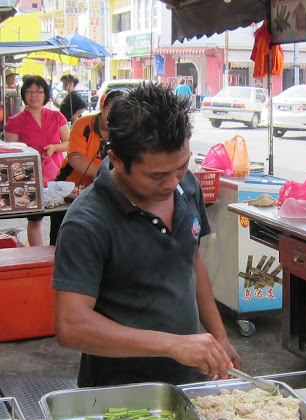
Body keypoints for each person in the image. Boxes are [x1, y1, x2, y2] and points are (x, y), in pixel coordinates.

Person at [52, 81, 241, 388]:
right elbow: (71, 325)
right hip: (120, 394)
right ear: (117, 161)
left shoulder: (188, 185)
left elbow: (192, 263)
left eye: (180, 167)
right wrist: (171, 344)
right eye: (156, 175)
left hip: (189, 383)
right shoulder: (87, 222)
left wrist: (220, 337)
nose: (171, 184)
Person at [49, 90, 124, 245]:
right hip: (69, 191)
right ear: (102, 107)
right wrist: (104, 174)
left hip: (103, 195)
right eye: (111, 112)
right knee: (61, 243)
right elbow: (75, 158)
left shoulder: (124, 131)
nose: (114, 118)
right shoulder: (82, 124)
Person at [4, 74, 69, 246]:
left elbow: (69, 143)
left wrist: (55, 147)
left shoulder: (57, 117)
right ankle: (37, 257)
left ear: (45, 94)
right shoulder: (15, 121)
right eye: (30, 91)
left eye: (39, 92)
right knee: (35, 220)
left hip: (56, 175)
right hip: (29, 178)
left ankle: (58, 254)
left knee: (60, 218)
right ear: (24, 94)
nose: (34, 95)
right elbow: (10, 152)